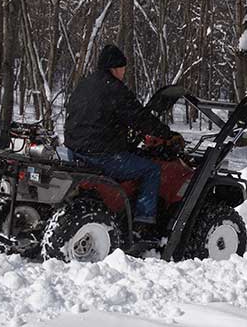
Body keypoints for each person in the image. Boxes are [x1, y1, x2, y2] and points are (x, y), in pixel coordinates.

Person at [65, 44, 176, 226]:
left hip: (75, 151)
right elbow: (139, 118)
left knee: (134, 157)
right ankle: (144, 221)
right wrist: (166, 134)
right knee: (152, 170)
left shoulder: (85, 84)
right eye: (123, 68)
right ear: (115, 67)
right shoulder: (115, 89)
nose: (124, 72)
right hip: (102, 155)